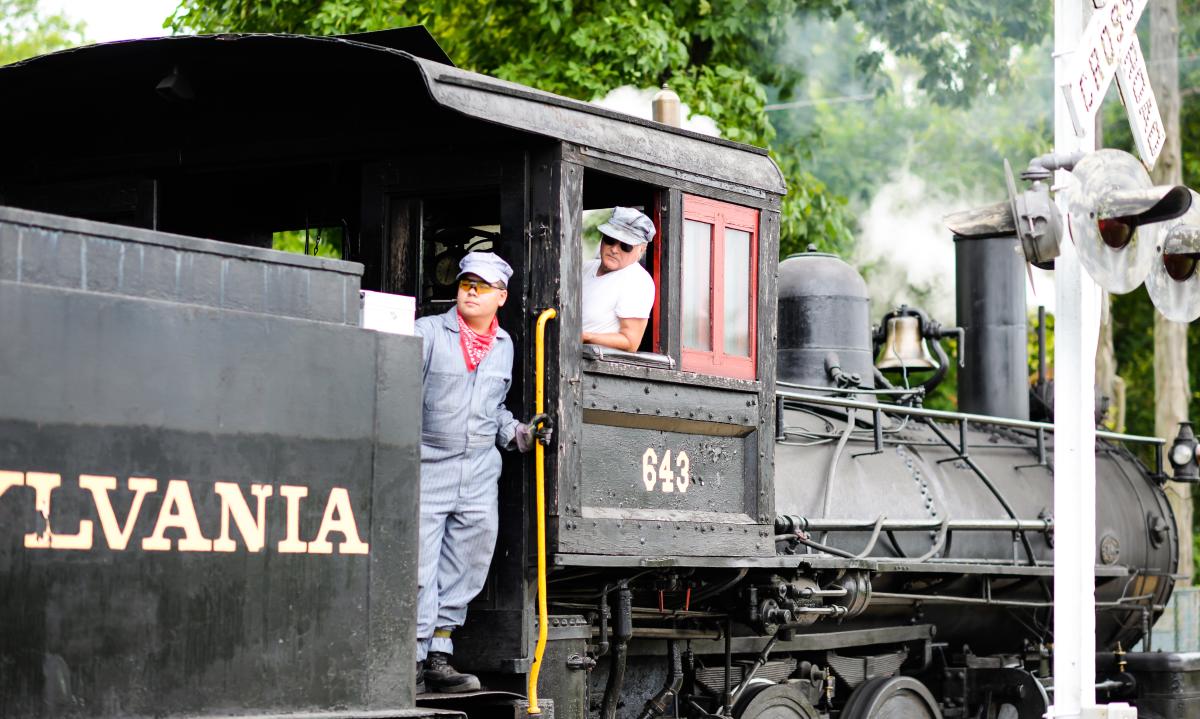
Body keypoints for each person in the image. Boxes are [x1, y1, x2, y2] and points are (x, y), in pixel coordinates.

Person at [413, 251, 541, 694]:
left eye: (482, 285)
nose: (470, 290)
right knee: (419, 567)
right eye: (466, 282)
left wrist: (520, 434)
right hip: (428, 464)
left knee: (468, 563)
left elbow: (494, 408)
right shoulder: (427, 332)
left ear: (501, 296)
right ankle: (409, 658)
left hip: (480, 470)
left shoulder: (504, 345)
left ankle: (439, 656)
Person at [581, 206, 657, 352]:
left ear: (641, 249)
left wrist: (585, 337)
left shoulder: (637, 282)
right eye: (610, 240)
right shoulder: (585, 268)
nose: (614, 249)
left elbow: (630, 342)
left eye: (626, 246)